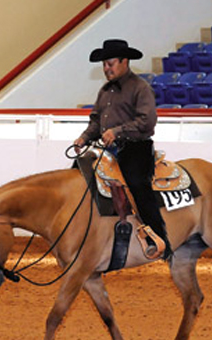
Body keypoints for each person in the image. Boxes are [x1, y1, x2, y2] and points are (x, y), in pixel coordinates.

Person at [74, 39, 172, 260]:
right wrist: (84, 137)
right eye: (105, 65)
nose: (107, 69)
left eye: (110, 64)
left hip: (136, 147)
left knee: (138, 185)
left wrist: (117, 131)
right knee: (76, 173)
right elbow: (96, 122)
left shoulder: (140, 88)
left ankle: (158, 239)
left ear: (124, 61)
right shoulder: (105, 91)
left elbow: (147, 121)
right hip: (109, 149)